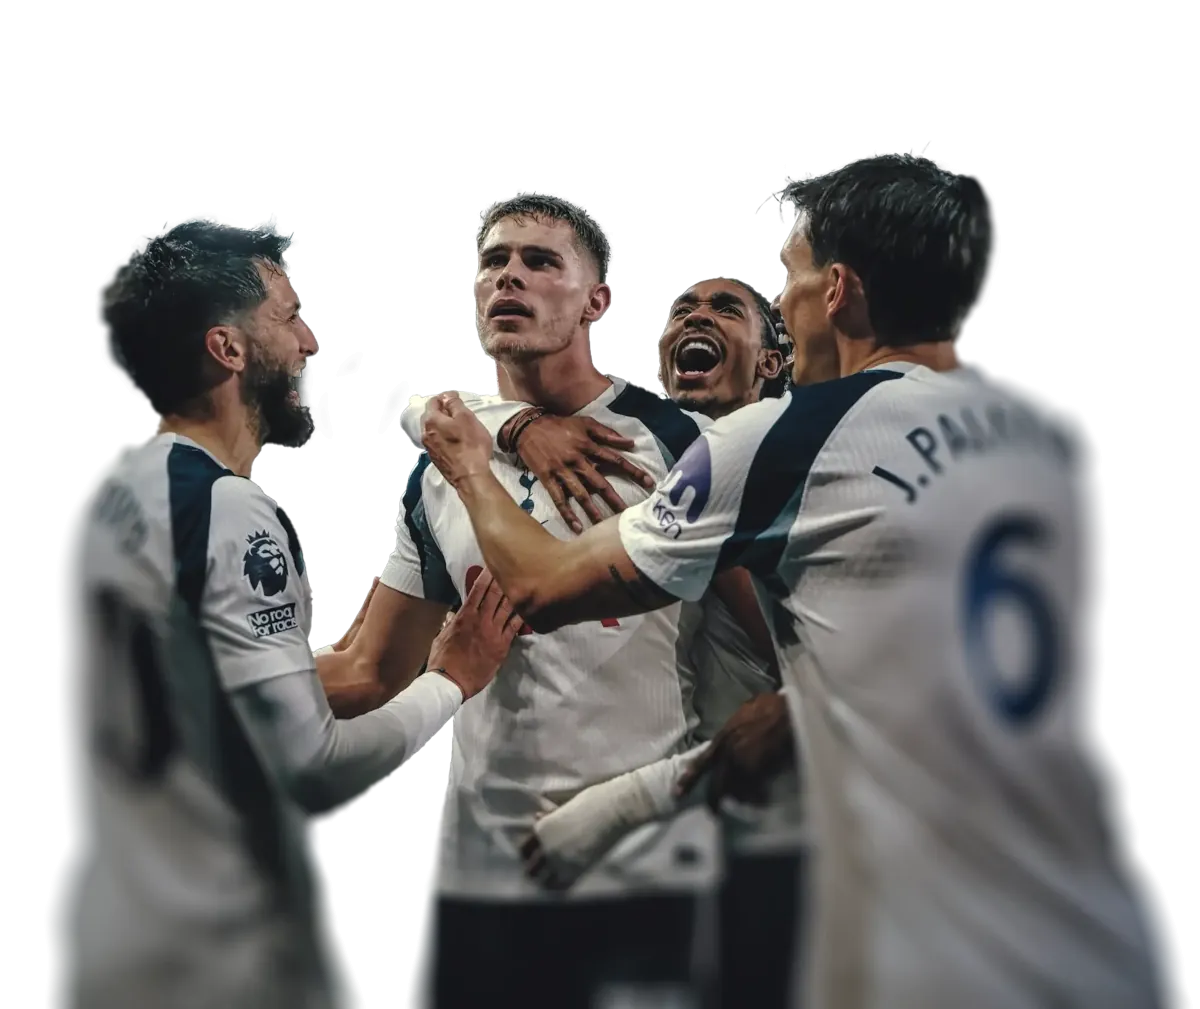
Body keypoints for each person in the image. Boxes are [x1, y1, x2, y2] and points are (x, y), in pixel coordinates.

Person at [416, 155, 1192, 1009]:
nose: (782, 302)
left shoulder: (786, 439)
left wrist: (468, 460)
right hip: (1110, 919)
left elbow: (538, 584)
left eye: (786, 279)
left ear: (839, 291)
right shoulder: (1057, 434)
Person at [51, 216, 520, 1009]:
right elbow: (313, 770)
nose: (308, 342)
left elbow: (210, 695)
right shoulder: (228, 509)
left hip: (101, 948)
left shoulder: (106, 497)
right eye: (289, 316)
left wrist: (373, 654)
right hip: (222, 963)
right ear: (228, 349)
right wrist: (451, 679)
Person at [336, 192, 769, 1009]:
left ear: (595, 302)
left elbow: (782, 651)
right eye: (495, 261)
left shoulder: (680, 444)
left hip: (637, 876)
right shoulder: (439, 467)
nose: (511, 277)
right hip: (475, 881)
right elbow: (369, 670)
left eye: (541, 262)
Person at [487, 273, 804, 1009]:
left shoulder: (789, 465)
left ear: (769, 362)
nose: (695, 317)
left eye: (726, 308)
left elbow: (816, 681)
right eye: (681, 310)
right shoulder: (669, 458)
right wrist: (515, 425)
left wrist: (622, 803)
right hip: (708, 846)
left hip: (804, 835)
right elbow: (432, 407)